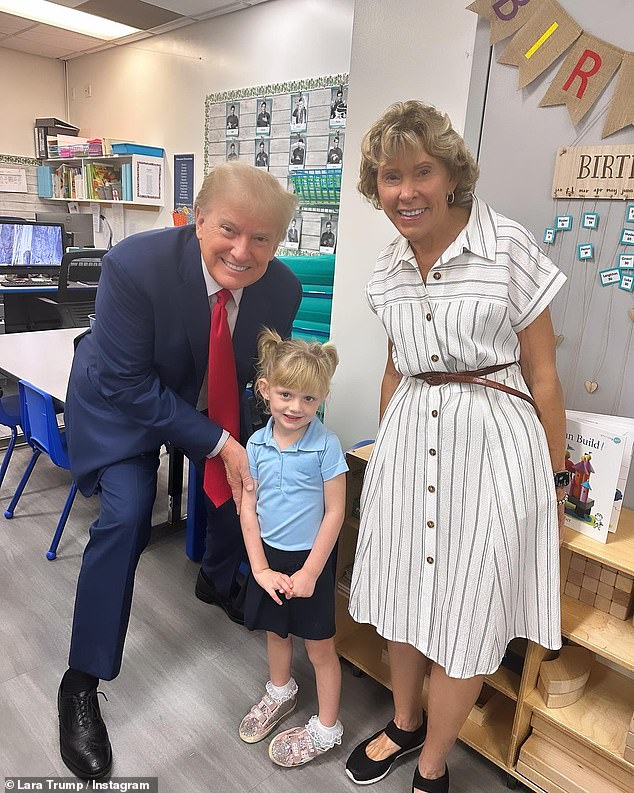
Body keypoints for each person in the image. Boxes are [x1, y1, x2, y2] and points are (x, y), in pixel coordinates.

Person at [345, 101, 567, 793]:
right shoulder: (385, 269)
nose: (406, 190)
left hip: (495, 447)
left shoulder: (507, 247)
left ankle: (434, 760)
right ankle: (404, 722)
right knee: (402, 595)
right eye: (390, 175)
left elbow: (544, 374)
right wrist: (383, 458)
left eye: (421, 170)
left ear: (449, 176)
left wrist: (554, 488)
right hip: (409, 441)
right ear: (375, 186)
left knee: (472, 612)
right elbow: (394, 368)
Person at [59, 161, 302, 780]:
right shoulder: (136, 266)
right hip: (123, 406)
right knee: (127, 515)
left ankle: (217, 579)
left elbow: (257, 378)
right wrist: (220, 441)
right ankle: (81, 681)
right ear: (196, 220)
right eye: (228, 229)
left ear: (278, 241)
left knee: (244, 482)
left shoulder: (282, 289)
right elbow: (127, 382)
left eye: (262, 239)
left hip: (204, 400)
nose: (243, 251)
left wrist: (274, 436)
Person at [238, 329, 347, 767]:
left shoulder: (327, 445)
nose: (296, 407)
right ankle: (281, 692)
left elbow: (335, 513)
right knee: (276, 632)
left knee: (320, 648)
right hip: (271, 559)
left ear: (321, 399)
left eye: (309, 399)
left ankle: (327, 728)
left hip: (311, 562)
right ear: (265, 391)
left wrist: (310, 573)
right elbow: (248, 510)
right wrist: (261, 570)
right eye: (286, 394)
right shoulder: (256, 444)